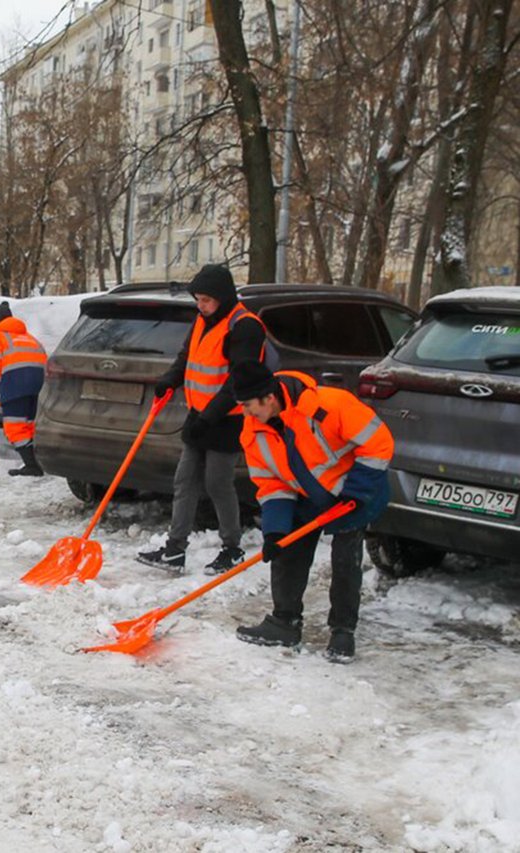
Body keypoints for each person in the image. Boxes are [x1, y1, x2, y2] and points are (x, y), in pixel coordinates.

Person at [231, 361, 393, 663]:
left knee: (344, 560)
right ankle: (285, 622)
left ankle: (342, 631)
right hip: (305, 494)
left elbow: (378, 443)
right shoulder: (253, 432)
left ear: (269, 398)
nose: (245, 413)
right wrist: (275, 531)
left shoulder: (329, 404)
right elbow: (270, 483)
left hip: (355, 491)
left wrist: (356, 492)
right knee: (287, 550)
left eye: (248, 405)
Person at [137, 264, 269, 574]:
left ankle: (232, 548)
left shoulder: (244, 327)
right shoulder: (202, 320)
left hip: (227, 419)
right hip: (199, 415)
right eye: (198, 300)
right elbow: (187, 357)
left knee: (217, 484)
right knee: (184, 480)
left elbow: (239, 381)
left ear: (223, 298)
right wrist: (169, 380)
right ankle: (175, 549)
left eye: (206, 300)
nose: (201, 306)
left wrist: (209, 416)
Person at [0, 301, 47, 477]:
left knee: (16, 427)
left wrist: (1, 388)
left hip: (15, 386)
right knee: (31, 425)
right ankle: (39, 462)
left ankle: (32, 466)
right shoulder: (30, 338)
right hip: (39, 387)